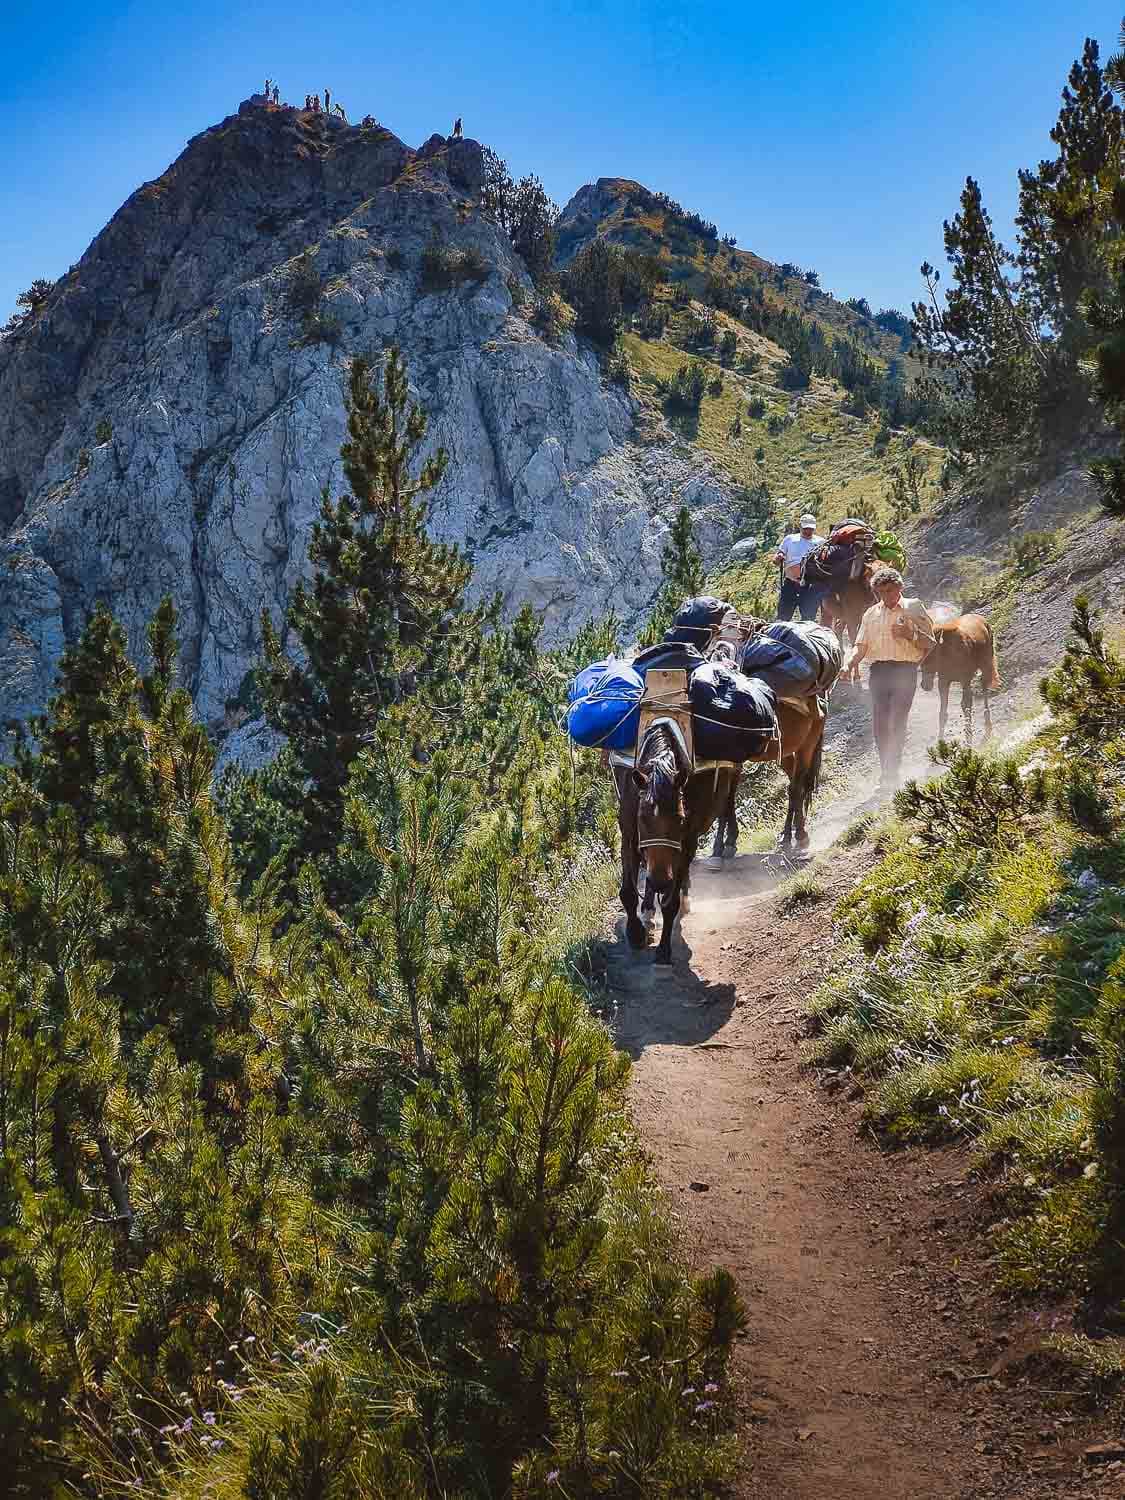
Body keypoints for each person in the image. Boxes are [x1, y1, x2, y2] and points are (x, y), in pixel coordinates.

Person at [844, 565, 936, 791]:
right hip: (878, 671)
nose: (886, 596)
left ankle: (893, 769)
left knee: (897, 720)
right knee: (880, 723)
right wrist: (849, 663)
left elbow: (930, 642)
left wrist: (910, 635)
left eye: (890, 590)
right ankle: (886, 770)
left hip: (905, 670)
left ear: (900, 587)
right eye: (881, 592)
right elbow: (860, 645)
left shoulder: (913, 607)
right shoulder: (871, 614)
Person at [772, 512, 825, 621]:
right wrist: (778, 557)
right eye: (805, 528)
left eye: (811, 528)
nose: (808, 531)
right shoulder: (789, 539)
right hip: (790, 584)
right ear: (800, 526)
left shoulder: (820, 542)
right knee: (783, 618)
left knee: (809, 620)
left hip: (810, 587)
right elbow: (777, 558)